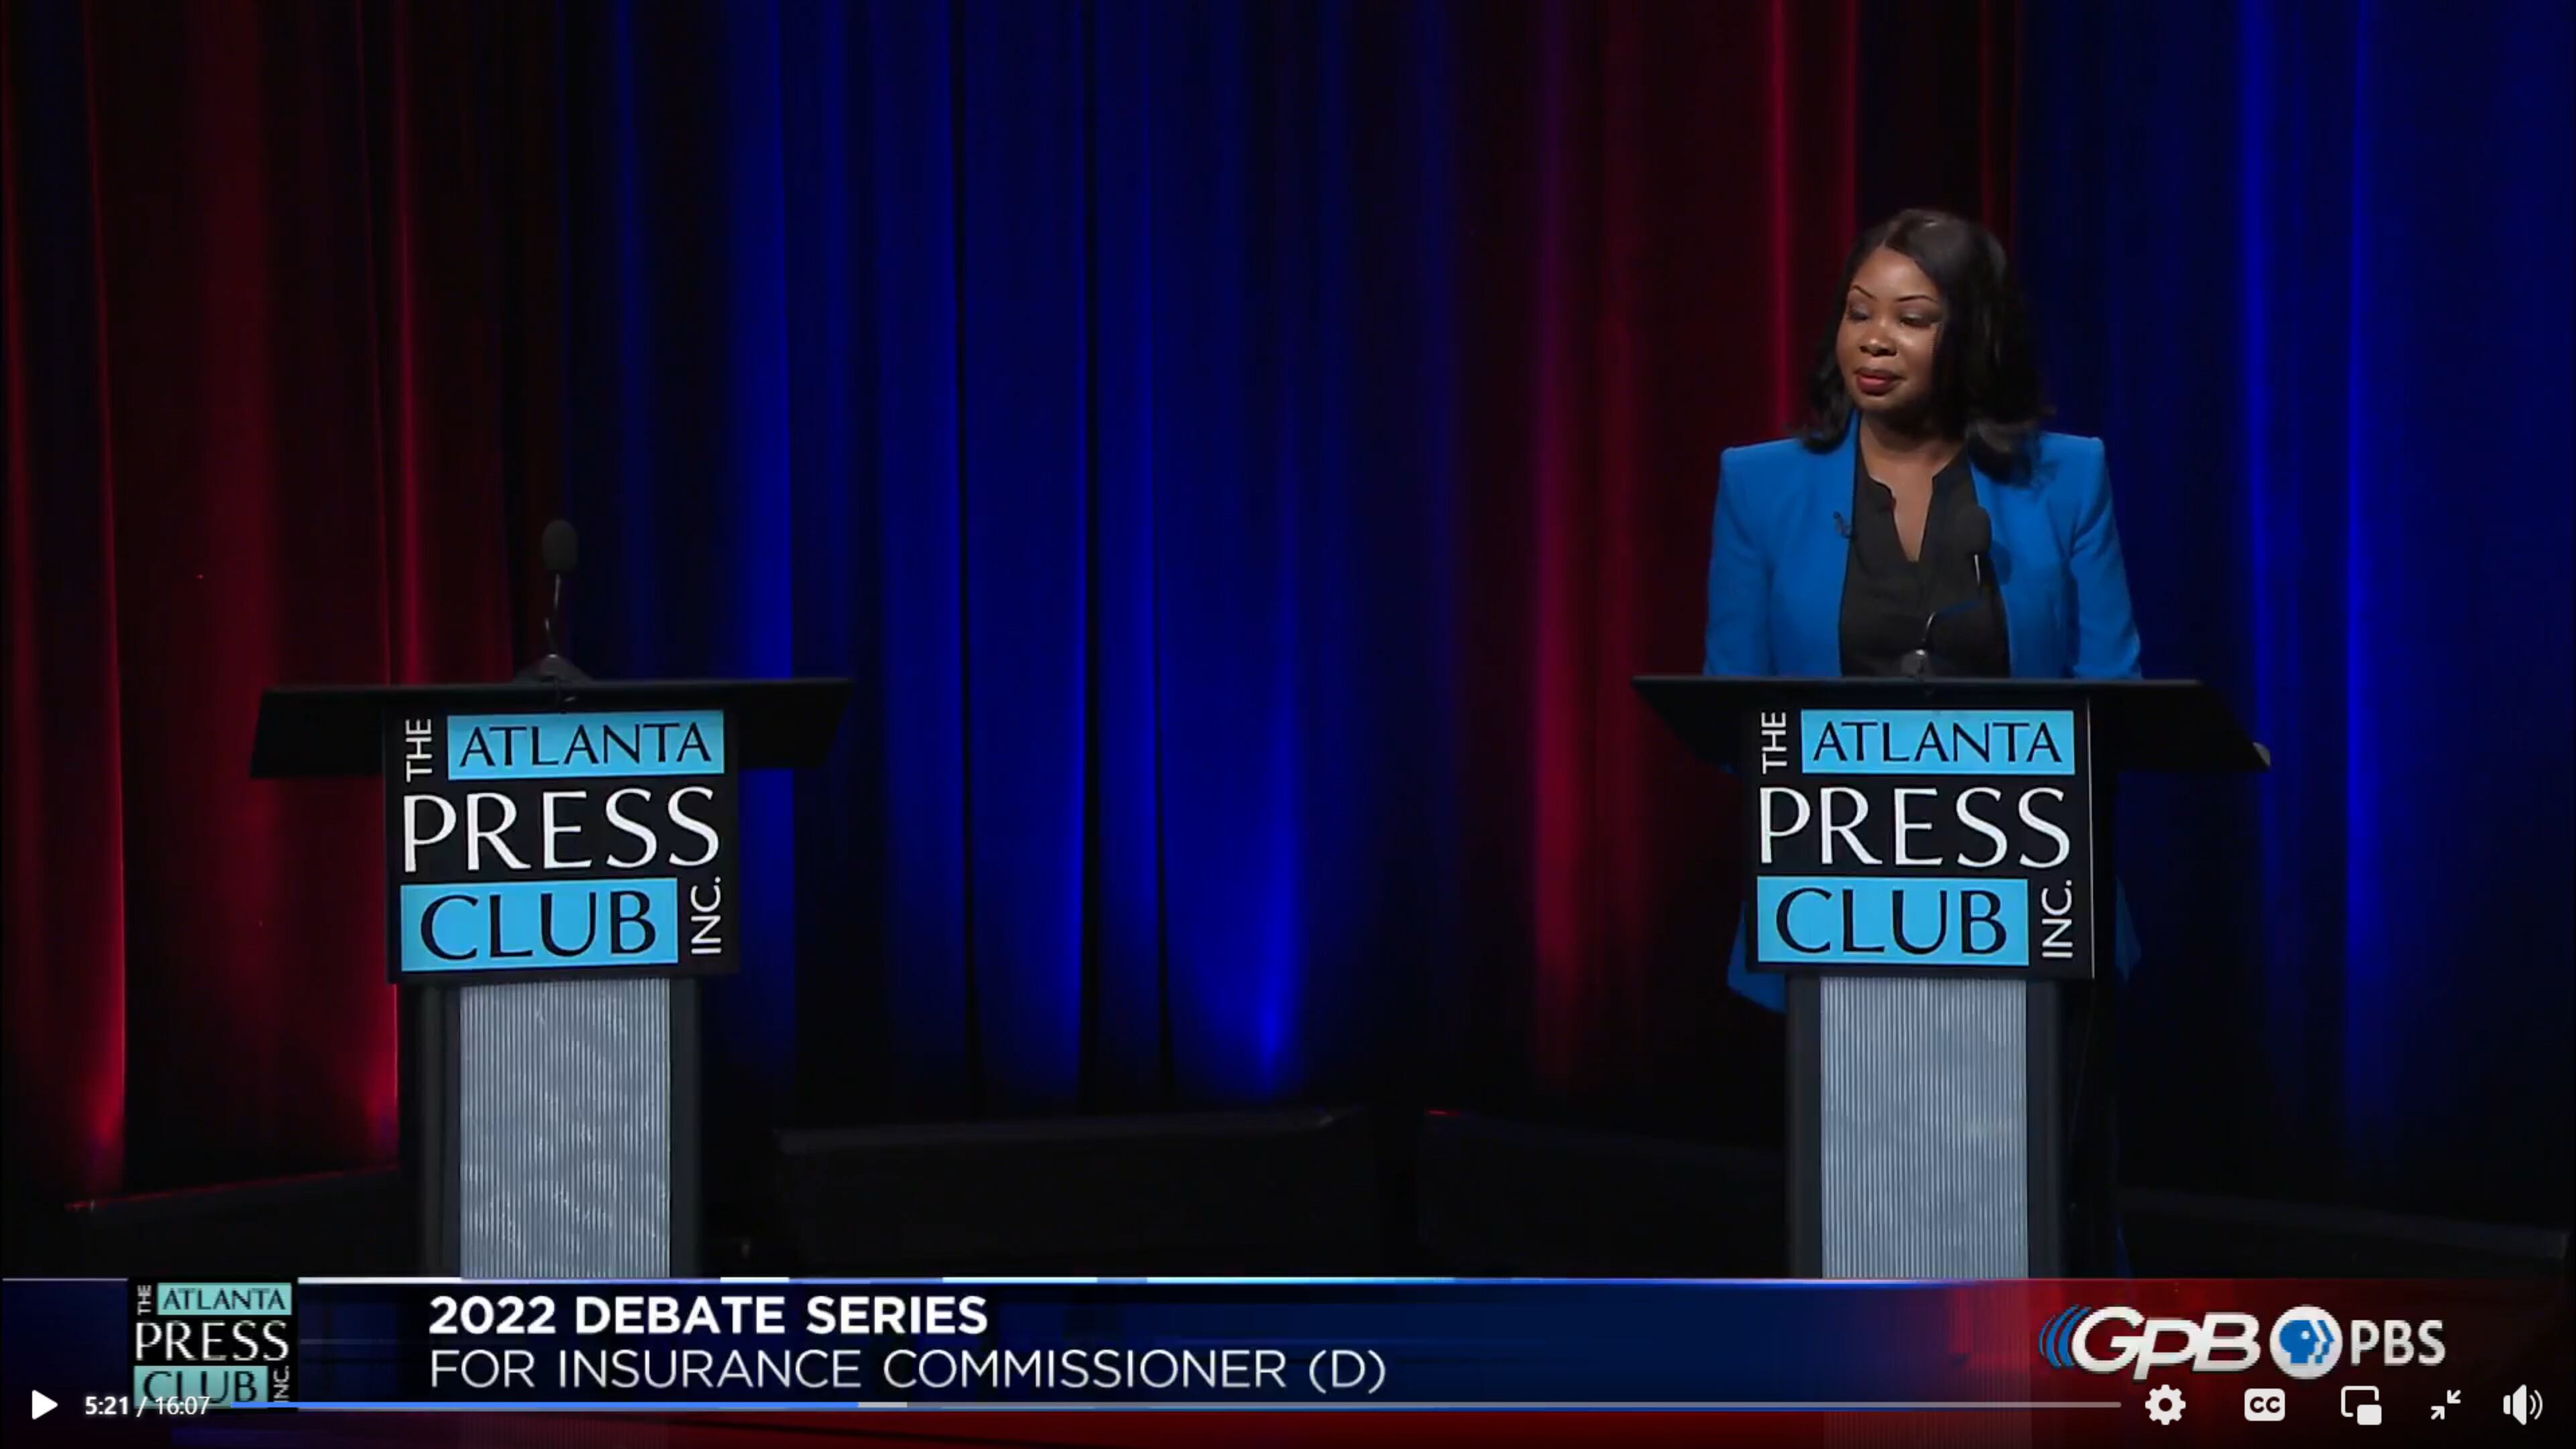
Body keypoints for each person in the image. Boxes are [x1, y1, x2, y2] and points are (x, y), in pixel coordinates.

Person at [1701, 207, 2140, 1271]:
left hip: (2028, 909)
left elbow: (2112, 693)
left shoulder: (2065, 478)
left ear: (1972, 336)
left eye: (1912, 317)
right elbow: (1731, 712)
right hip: (1843, 904)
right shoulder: (1761, 486)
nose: (1875, 340)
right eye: (1858, 314)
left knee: (2036, 1230)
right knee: (1866, 1230)